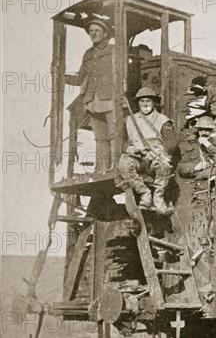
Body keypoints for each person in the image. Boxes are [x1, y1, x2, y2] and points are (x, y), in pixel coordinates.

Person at [65, 18, 115, 173]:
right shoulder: (88, 54)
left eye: (97, 30)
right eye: (91, 31)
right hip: (92, 100)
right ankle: (101, 169)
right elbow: (80, 78)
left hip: (110, 98)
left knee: (114, 134)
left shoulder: (114, 50)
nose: (93, 33)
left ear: (105, 33)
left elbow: (122, 74)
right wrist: (61, 77)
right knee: (100, 137)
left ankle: (114, 167)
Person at [118, 88, 175, 214]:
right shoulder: (129, 120)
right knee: (124, 164)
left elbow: (171, 142)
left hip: (154, 154)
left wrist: (161, 150)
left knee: (164, 164)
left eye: (148, 101)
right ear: (138, 103)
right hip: (138, 156)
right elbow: (122, 141)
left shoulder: (162, 119)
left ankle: (158, 198)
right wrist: (129, 148)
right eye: (142, 101)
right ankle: (145, 194)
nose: (145, 104)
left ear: (154, 102)